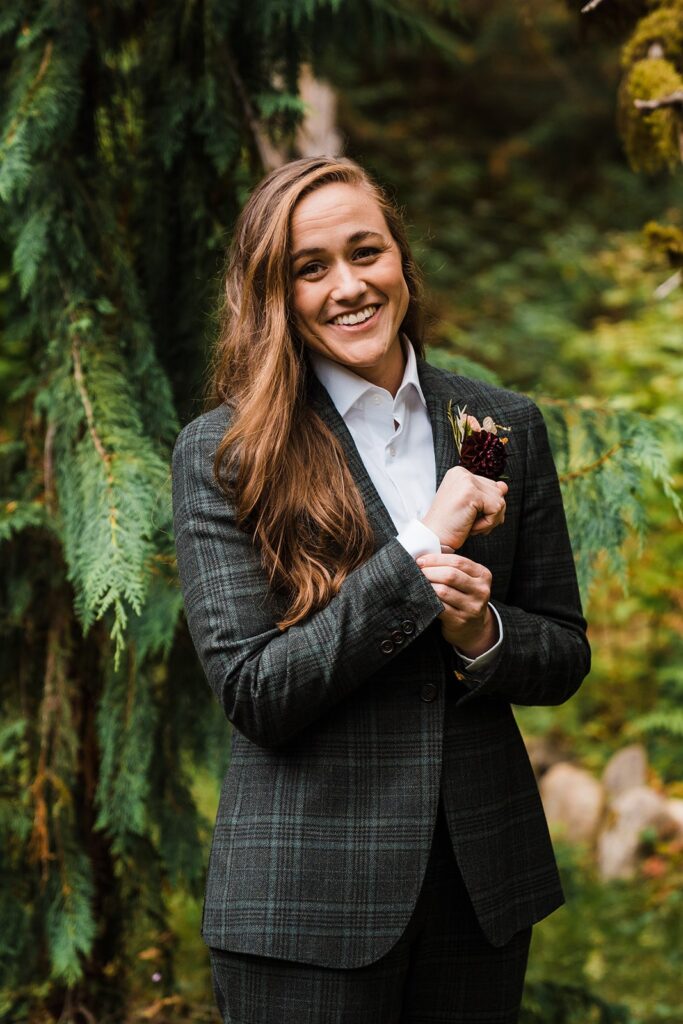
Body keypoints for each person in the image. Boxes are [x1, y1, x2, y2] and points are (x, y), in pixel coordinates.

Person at [171, 155, 590, 1024]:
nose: (348, 285)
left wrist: (483, 636)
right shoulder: (228, 456)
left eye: (367, 252)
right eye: (309, 268)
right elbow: (256, 691)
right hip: (306, 905)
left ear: (401, 259)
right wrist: (418, 553)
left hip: (481, 892)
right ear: (274, 294)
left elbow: (562, 650)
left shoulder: (494, 425)